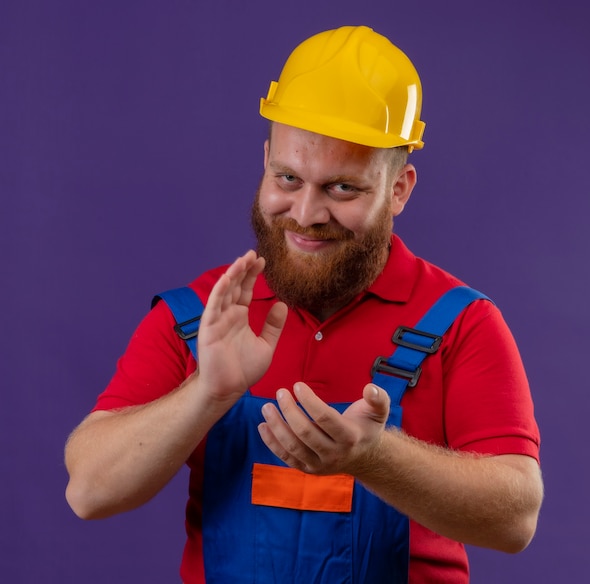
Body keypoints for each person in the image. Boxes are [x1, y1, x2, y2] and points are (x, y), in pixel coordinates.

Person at [65, 25, 543, 584]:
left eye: (342, 188)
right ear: (266, 160)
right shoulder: (201, 313)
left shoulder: (461, 324)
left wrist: (373, 458)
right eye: (288, 178)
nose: (306, 213)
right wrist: (207, 392)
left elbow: (516, 518)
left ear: (399, 189)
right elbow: (89, 490)